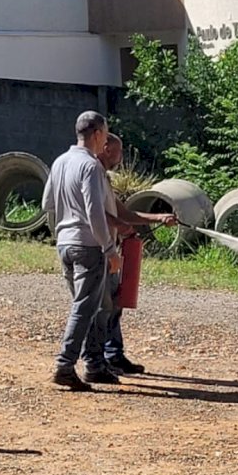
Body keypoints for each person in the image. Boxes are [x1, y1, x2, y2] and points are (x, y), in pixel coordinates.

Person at [42, 111, 122, 391]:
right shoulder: (91, 166)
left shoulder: (60, 161)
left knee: (86, 306)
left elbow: (47, 204)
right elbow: (94, 212)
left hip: (65, 243)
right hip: (88, 245)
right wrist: (110, 249)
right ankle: (65, 365)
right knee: (85, 308)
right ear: (98, 133)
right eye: (105, 134)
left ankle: (95, 366)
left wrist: (62, 231)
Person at [97, 133, 177, 376]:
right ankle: (98, 360)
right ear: (107, 148)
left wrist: (158, 218)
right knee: (103, 308)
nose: (121, 158)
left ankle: (113, 355)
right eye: (119, 152)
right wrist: (119, 229)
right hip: (98, 250)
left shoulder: (104, 180)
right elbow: (98, 214)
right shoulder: (91, 175)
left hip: (109, 249)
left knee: (115, 304)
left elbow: (124, 213)